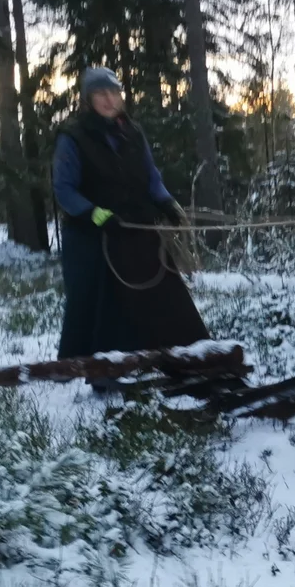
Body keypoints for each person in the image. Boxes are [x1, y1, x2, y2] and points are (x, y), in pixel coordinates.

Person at [52, 66, 191, 393]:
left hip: (134, 229)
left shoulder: (133, 132)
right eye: (100, 93)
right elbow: (64, 189)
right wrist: (96, 215)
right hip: (90, 236)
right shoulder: (72, 137)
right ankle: (98, 370)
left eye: (113, 92)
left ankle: (176, 356)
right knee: (95, 300)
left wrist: (167, 203)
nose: (109, 99)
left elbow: (150, 175)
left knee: (157, 290)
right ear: (88, 100)